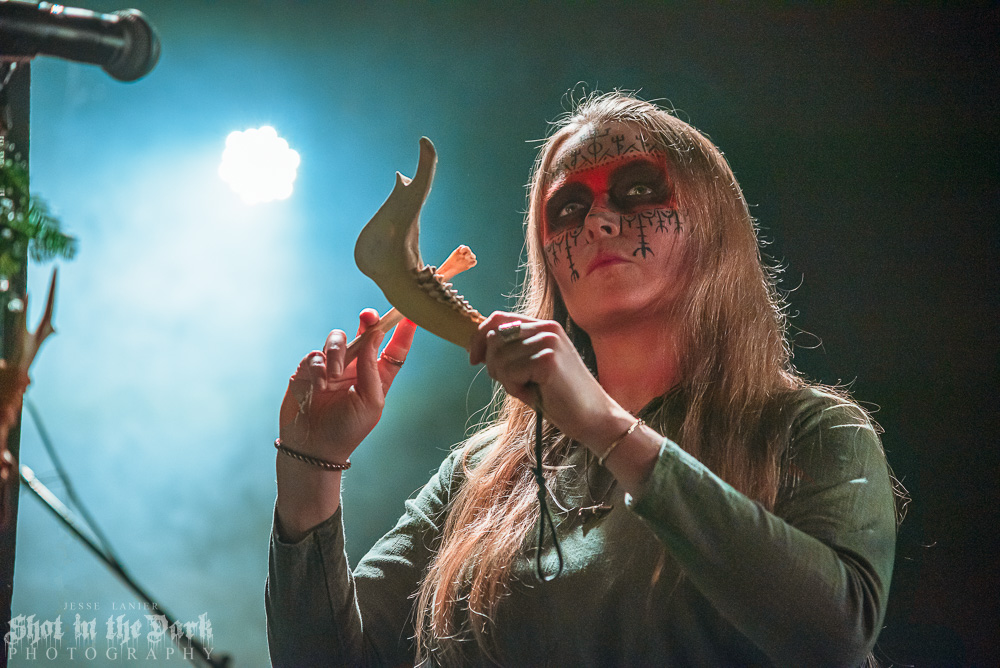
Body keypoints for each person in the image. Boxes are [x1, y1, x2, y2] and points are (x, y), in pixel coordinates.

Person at [266, 92, 898, 667]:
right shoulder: (481, 475)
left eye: (639, 190)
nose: (597, 221)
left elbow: (835, 635)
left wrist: (603, 425)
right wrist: (309, 475)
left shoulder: (806, 431)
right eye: (568, 207)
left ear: (712, 228)